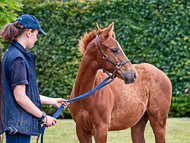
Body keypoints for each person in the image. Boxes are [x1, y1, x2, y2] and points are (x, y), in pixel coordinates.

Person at [0, 14, 68, 143]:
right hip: (18, 127)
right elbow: (20, 97)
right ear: (29, 32)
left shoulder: (11, 52)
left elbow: (25, 93)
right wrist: (43, 117)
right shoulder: (18, 59)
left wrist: (52, 101)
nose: (36, 39)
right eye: (37, 34)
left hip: (16, 125)